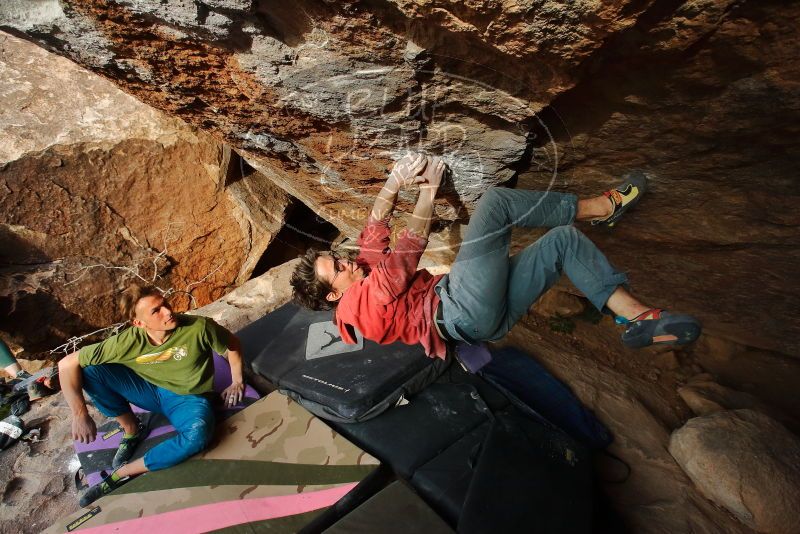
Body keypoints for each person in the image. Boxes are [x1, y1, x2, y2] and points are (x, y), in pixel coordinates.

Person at [290, 153, 701, 360]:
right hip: (457, 306)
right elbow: (403, 256)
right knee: (496, 203)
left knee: (563, 242)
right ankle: (603, 207)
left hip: (478, 322)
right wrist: (429, 190)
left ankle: (638, 317)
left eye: (337, 258)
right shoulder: (357, 306)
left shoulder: (357, 279)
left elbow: (373, 232)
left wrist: (394, 182)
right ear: (331, 296)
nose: (347, 262)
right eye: (338, 269)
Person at [58, 284, 245, 507]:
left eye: (165, 303)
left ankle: (121, 474)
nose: (168, 311)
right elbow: (66, 363)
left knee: (198, 436)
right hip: (149, 391)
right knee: (90, 370)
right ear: (139, 323)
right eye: (156, 311)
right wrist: (79, 413)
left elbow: (232, 344)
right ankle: (131, 430)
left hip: (187, 398)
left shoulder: (199, 327)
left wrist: (237, 380)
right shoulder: (127, 341)